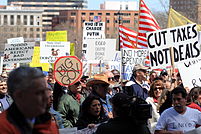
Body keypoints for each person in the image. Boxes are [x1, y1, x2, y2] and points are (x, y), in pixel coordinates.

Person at [0, 66, 59, 133]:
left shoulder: (50, 125)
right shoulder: (3, 127)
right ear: (19, 95)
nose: (46, 97)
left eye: (46, 90)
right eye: (39, 92)